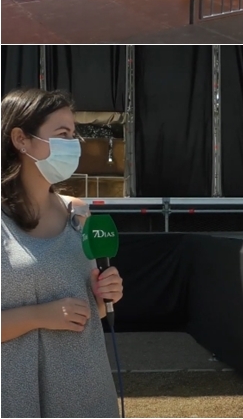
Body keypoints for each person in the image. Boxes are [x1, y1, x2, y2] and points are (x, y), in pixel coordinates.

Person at [1, 88, 122, 418]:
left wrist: (105, 294)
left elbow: (90, 313)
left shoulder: (79, 214)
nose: (74, 145)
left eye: (74, 134)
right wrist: (39, 316)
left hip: (85, 393)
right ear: (20, 139)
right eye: (62, 134)